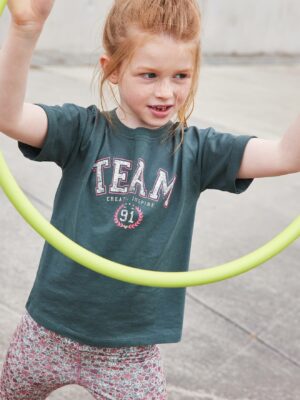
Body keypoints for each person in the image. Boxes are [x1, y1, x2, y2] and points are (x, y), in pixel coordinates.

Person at [0, 0, 299, 399]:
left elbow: (286, 155)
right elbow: (9, 116)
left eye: (181, 76)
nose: (165, 91)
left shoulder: (198, 151)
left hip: (130, 351)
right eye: (149, 75)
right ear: (112, 69)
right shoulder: (82, 131)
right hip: (48, 328)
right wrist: (25, 30)